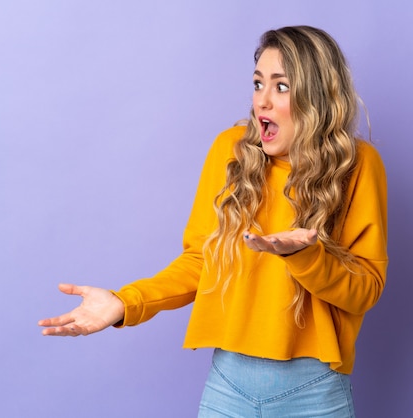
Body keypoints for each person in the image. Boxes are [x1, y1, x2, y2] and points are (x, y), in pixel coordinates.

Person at [39, 25, 388, 417]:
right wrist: (124, 303)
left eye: (282, 87)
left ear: (318, 97)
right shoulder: (230, 151)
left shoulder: (357, 165)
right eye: (258, 84)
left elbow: (366, 290)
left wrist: (306, 256)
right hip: (229, 387)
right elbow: (200, 262)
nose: (263, 102)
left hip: (314, 392)